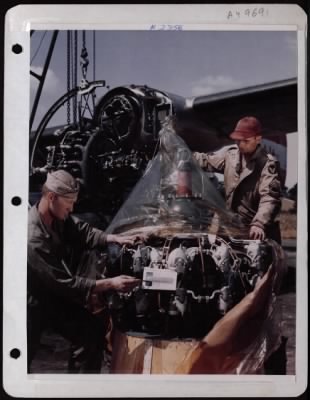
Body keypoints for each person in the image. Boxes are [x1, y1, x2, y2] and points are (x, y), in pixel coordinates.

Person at [27, 170, 141, 373]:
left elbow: (81, 230)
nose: (72, 208)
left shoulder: (57, 216)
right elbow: (66, 284)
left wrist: (111, 238)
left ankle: (79, 389)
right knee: (21, 358)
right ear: (51, 197)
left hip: (53, 294)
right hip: (31, 302)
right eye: (69, 203)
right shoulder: (33, 236)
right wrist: (110, 284)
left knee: (90, 332)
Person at [193, 116, 282, 243]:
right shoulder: (230, 155)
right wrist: (183, 154)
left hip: (256, 234)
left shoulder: (267, 164)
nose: (240, 144)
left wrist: (259, 224)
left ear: (258, 139)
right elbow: (205, 160)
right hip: (231, 230)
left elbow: (269, 198)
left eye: (245, 141)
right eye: (237, 140)